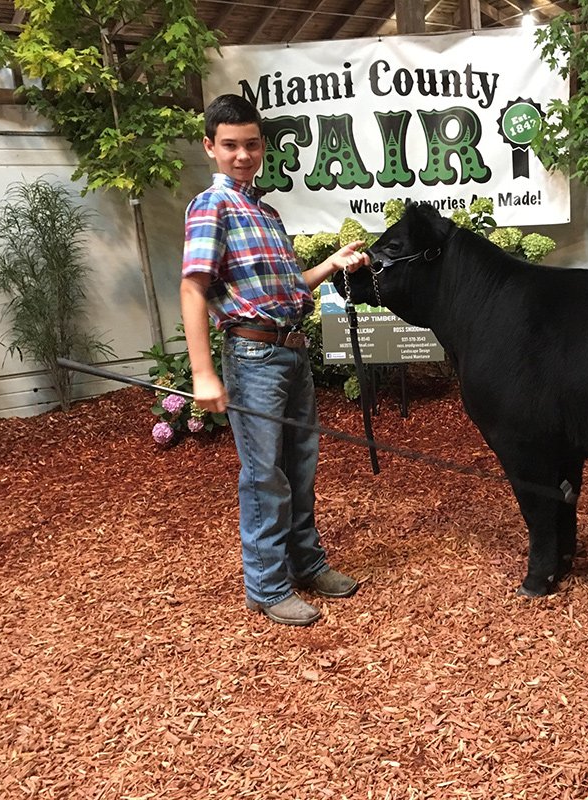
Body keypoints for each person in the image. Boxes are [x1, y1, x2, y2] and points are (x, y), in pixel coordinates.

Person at [180, 93, 370, 626]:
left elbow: (287, 289)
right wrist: (202, 372)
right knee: (265, 476)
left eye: (252, 144)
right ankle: (266, 586)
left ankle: (306, 564)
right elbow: (193, 288)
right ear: (210, 147)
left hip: (291, 352)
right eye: (230, 145)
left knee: (300, 467)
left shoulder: (265, 211)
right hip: (253, 355)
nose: (243, 155)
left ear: (263, 146)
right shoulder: (210, 206)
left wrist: (330, 263)